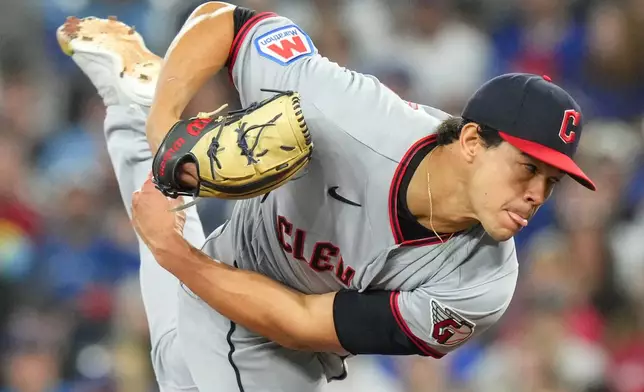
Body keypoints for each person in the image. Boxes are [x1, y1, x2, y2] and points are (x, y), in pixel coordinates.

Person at [56, 2, 595, 392]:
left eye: (552, 181)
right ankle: (144, 114)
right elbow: (229, 22)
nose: (537, 194)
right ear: (473, 141)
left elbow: (302, 321)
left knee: (175, 363)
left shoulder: (484, 284)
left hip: (287, 332)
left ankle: (131, 105)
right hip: (242, 308)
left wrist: (175, 253)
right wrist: (164, 131)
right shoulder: (349, 114)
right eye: (528, 168)